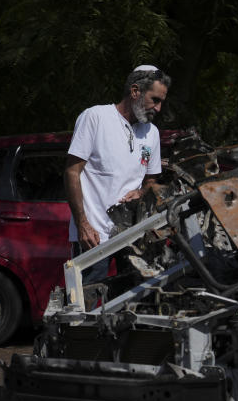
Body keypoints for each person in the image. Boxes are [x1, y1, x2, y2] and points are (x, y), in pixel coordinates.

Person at [64, 65, 170, 282]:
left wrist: (141, 192)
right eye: (155, 100)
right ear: (135, 91)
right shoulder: (95, 117)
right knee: (87, 304)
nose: (158, 109)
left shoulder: (152, 133)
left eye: (161, 102)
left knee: (130, 306)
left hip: (132, 236)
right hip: (94, 236)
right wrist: (82, 224)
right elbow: (72, 172)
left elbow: (151, 181)